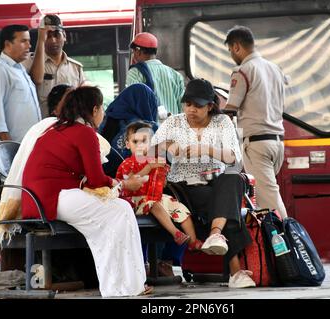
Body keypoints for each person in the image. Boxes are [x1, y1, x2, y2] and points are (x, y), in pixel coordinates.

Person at [9, 86, 148, 297]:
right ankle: (123, 286)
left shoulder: (57, 129)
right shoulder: (85, 133)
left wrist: (115, 185)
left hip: (40, 198)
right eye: (102, 108)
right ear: (94, 110)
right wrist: (123, 185)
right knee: (121, 210)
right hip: (53, 197)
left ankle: (124, 285)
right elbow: (96, 179)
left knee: (118, 211)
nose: (103, 113)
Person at [151, 78, 256, 288]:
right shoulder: (174, 122)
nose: (191, 110)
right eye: (188, 104)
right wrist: (168, 146)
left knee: (233, 178)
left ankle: (216, 235)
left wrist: (206, 149)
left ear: (210, 106)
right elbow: (149, 151)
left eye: (198, 106)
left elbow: (234, 159)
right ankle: (234, 269)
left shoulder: (222, 122)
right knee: (225, 206)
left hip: (217, 181)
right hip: (183, 186)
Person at [224, 25, 288, 219]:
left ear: (236, 47)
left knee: (269, 203)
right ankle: (272, 246)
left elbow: (230, 109)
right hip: (277, 143)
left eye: (230, 51)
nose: (231, 55)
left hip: (257, 144)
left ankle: (287, 240)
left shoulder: (243, 71)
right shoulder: (275, 68)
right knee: (264, 198)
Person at [116, 121, 203, 251]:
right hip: (136, 200)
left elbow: (162, 184)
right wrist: (149, 167)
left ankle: (193, 241)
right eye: (135, 142)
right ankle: (176, 233)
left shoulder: (155, 160)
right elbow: (130, 181)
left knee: (179, 207)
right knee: (154, 204)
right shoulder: (127, 164)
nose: (140, 145)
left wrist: (162, 175)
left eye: (144, 141)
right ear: (128, 145)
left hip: (156, 197)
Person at [0, 25, 41, 145]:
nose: (29, 46)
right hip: (15, 151)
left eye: (29, 41)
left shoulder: (20, 69)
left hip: (28, 146)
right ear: (8, 44)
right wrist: (10, 150)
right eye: (23, 41)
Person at [23, 14, 86, 118]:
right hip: (42, 127)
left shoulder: (76, 68)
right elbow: (36, 79)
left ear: (64, 36)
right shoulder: (29, 63)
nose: (53, 40)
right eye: (48, 35)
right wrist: (41, 40)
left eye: (57, 35)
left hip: (69, 127)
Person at [127, 32, 185, 115]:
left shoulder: (135, 73)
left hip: (149, 127)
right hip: (173, 126)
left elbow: (133, 105)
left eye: (133, 51)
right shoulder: (175, 75)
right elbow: (183, 108)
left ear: (138, 51)